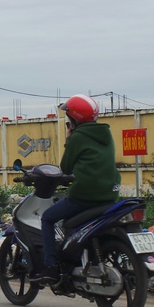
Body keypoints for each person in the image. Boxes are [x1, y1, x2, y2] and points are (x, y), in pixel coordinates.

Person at [30, 94, 122, 284]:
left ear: (74, 119)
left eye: (68, 118)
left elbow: (66, 168)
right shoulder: (106, 134)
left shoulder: (78, 137)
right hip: (109, 196)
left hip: (84, 197)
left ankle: (50, 267)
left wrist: (69, 138)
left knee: (48, 218)